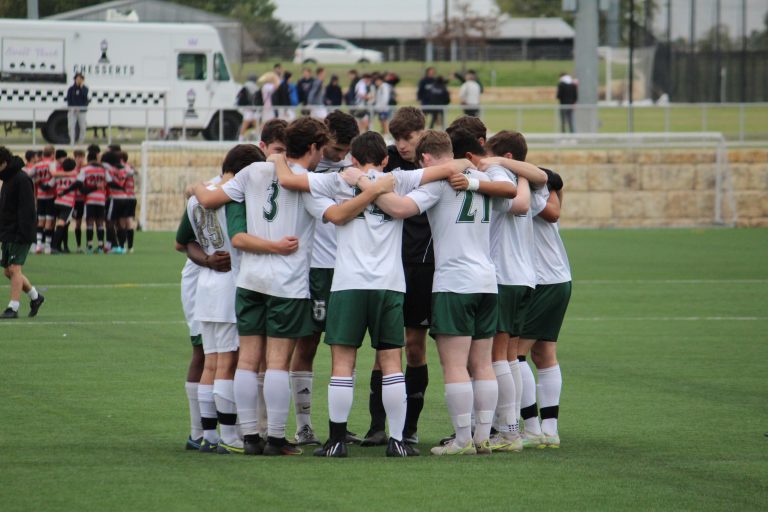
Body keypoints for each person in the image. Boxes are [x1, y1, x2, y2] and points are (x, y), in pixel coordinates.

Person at [274, 131, 471, 457]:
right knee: (392, 362)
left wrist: (278, 157)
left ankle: (336, 441)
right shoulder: (400, 178)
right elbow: (449, 169)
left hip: (348, 284)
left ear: (352, 158)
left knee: (342, 363)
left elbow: (289, 182)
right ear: (384, 158)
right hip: (390, 284)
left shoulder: (337, 181)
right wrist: (380, 184)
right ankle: (397, 441)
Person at [191, 117, 359, 456]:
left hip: (249, 279)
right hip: (288, 284)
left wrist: (194, 187)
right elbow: (336, 217)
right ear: (312, 148)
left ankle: (250, 437)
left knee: (249, 361)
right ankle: (278, 439)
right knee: (278, 363)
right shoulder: (307, 182)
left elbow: (209, 200)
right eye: (320, 150)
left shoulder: (250, 172)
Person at [366, 131, 500, 455]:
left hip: (455, 281)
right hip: (487, 280)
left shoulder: (440, 183)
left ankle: (462, 439)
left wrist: (367, 190)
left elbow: (400, 209)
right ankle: (482, 437)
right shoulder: (481, 178)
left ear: (425, 160)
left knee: (454, 365)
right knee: (482, 364)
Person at [290, 110, 360, 447]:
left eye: (346, 150)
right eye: (335, 149)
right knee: (308, 342)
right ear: (321, 140)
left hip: (349, 268)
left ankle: (338, 423)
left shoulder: (354, 170)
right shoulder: (307, 171)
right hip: (316, 267)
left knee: (345, 347)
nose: (340, 155)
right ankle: (303, 426)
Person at [361, 107, 428, 447]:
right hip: (386, 266)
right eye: (397, 138)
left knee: (414, 347)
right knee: (385, 347)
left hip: (421, 265)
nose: (401, 145)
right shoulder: (385, 160)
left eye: (408, 138)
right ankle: (376, 427)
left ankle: (409, 428)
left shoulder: (435, 165)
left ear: (422, 133)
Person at [517, 168, 571, 449]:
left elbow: (552, 212)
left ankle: (532, 428)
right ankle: (549, 430)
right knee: (544, 352)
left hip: (543, 280)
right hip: (556, 278)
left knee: (514, 354)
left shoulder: (529, 183)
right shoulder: (535, 180)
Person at [0, 147, 45, 319]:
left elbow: (27, 210)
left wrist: (23, 233)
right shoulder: (8, 179)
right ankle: (35, 296)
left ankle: (13, 308)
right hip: (8, 232)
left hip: (20, 233)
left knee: (14, 268)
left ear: (4, 163)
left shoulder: (22, 179)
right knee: (8, 271)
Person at [29, 145, 56, 254]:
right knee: (49, 221)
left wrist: (37, 181)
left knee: (40, 221)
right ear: (53, 154)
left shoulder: (38, 165)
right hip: (50, 196)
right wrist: (48, 184)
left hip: (40, 196)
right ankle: (48, 246)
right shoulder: (51, 164)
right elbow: (54, 176)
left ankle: (39, 245)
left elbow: (29, 175)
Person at [50, 157, 78, 253]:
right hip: (68, 203)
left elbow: (50, 185)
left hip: (57, 202)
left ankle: (59, 247)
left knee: (63, 224)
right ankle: (53, 247)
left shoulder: (58, 176)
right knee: (62, 224)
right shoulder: (75, 177)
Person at [66, 72, 89, 145]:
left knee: (83, 127)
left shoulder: (85, 89)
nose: (78, 80)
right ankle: (72, 141)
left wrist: (81, 88)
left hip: (82, 111)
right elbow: (69, 100)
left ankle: (80, 142)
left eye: (80, 79)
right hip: (72, 110)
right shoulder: (71, 89)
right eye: (77, 79)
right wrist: (73, 107)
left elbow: (85, 98)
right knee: (71, 126)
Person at [237, 75, 259, 141]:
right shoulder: (254, 87)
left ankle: (242, 137)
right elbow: (255, 98)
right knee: (247, 123)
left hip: (246, 108)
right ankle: (241, 138)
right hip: (250, 108)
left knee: (254, 122)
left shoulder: (245, 86)